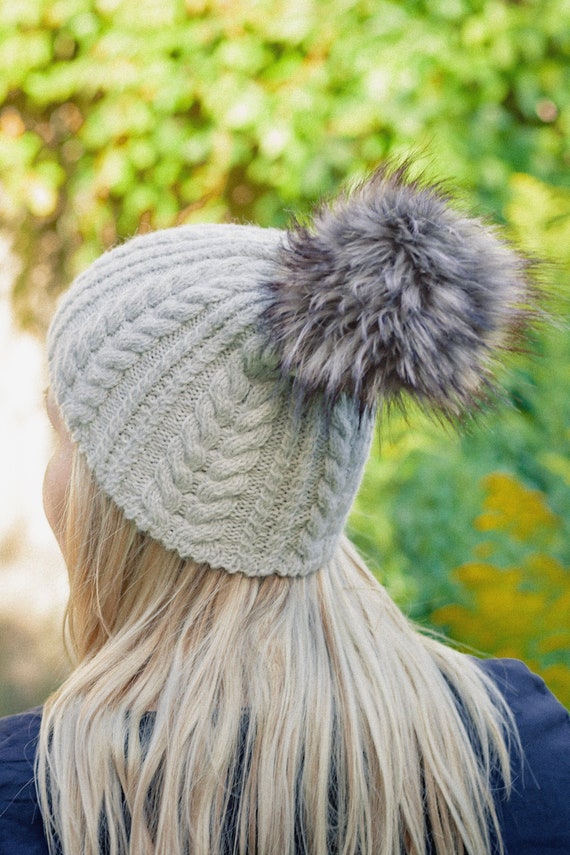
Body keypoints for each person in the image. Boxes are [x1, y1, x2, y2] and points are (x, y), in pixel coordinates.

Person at [1, 163, 569, 855]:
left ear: (127, 500)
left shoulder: (32, 796)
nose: (49, 474)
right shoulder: (520, 746)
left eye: (63, 434)